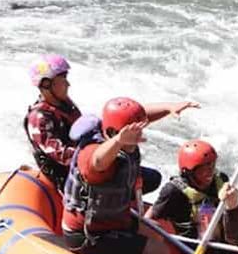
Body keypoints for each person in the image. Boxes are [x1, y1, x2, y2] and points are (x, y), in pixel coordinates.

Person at [23, 53, 199, 191]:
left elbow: (119, 121)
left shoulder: (64, 104)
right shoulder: (39, 119)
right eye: (62, 81)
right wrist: (104, 153)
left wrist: (168, 108)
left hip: (91, 161)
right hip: (73, 175)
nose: (68, 85)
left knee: (151, 178)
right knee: (145, 178)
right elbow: (62, 156)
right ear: (46, 85)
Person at [61, 96, 173, 254]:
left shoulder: (116, 134)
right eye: (135, 130)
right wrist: (119, 141)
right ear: (115, 133)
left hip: (113, 222)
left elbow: (141, 118)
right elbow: (97, 161)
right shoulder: (94, 154)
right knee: (160, 253)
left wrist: (169, 107)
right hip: (88, 235)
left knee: (157, 233)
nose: (141, 133)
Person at [145, 139, 238, 240]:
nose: (210, 173)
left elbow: (232, 207)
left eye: (211, 166)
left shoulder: (220, 180)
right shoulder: (173, 191)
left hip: (223, 240)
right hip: (191, 246)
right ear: (188, 172)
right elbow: (149, 218)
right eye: (203, 169)